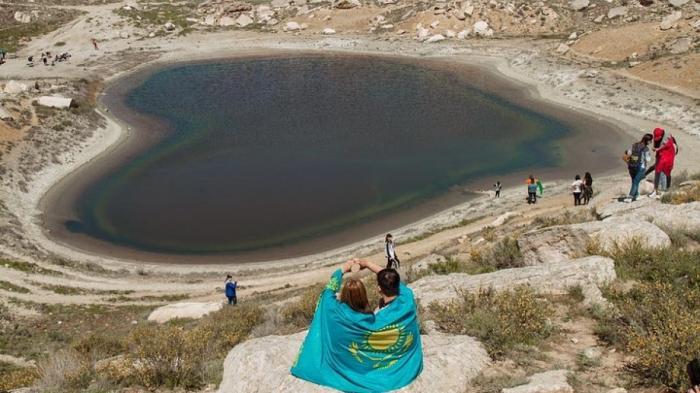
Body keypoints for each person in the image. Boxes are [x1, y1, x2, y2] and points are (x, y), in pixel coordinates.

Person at [291, 259, 422, 392]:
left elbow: (327, 294)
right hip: (404, 369)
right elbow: (390, 279)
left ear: (378, 288)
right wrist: (368, 264)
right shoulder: (407, 299)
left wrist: (342, 270)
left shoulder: (340, 314)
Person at [648, 127, 678, 199]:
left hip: (667, 158)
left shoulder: (667, 139)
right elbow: (657, 146)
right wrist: (655, 149)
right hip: (660, 157)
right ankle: (655, 190)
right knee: (657, 173)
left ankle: (663, 191)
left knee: (663, 173)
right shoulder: (658, 139)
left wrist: (657, 149)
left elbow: (664, 146)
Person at [623, 133, 652, 203]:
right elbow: (648, 159)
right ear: (647, 141)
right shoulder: (645, 148)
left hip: (631, 166)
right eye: (650, 140)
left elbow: (628, 153)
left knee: (634, 181)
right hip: (640, 167)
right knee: (636, 181)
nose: (651, 142)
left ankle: (637, 195)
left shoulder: (634, 145)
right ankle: (630, 197)